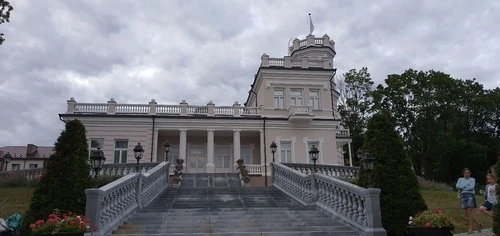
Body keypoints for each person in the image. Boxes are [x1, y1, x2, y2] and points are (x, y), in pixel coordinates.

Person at [456, 168, 482, 234]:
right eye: (466, 173)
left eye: (468, 173)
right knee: (466, 214)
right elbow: (457, 186)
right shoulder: (460, 179)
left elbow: (471, 187)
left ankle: (471, 229)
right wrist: (465, 186)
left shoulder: (472, 179)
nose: (467, 174)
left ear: (470, 173)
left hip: (470, 195)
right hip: (463, 196)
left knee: (470, 212)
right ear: (463, 174)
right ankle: (478, 224)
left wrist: (462, 187)